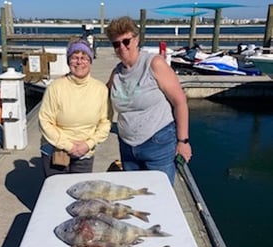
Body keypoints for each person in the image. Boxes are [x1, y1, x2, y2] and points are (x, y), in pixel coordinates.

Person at [106, 16, 192, 186]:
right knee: (134, 195)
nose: (122, 47)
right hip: (127, 146)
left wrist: (183, 142)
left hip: (157, 143)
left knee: (160, 194)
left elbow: (180, 102)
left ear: (136, 39)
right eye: (116, 44)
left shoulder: (154, 63)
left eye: (126, 41)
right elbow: (98, 95)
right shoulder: (116, 73)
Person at [38, 38, 111, 176]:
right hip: (56, 151)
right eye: (74, 57)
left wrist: (88, 144)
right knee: (57, 193)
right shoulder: (55, 87)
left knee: (81, 194)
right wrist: (68, 146)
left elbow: (105, 123)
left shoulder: (101, 89)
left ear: (90, 61)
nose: (79, 62)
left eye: (84, 57)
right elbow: (45, 121)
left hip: (85, 152)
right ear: (68, 61)